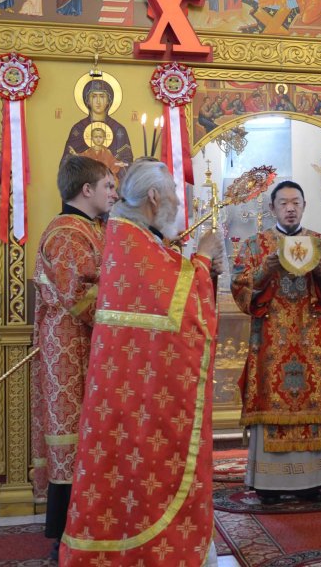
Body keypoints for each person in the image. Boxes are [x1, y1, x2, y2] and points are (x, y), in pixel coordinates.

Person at [59, 159, 225, 566]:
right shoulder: (131, 242)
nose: (177, 201)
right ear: (154, 196)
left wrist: (199, 268)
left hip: (129, 391)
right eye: (173, 192)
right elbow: (183, 314)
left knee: (123, 478)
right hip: (138, 396)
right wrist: (204, 258)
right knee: (135, 477)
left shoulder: (130, 238)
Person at [231, 181, 321, 505]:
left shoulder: (320, 243)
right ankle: (268, 484)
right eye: (283, 203)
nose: (290, 208)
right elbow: (240, 287)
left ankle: (313, 480)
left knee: (313, 404)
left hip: (310, 342)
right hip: (271, 344)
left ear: (304, 206)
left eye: (296, 202)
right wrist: (264, 272)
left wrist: (320, 271)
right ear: (272, 208)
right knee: (270, 403)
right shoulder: (255, 246)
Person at [30, 156, 116, 561]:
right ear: (87, 190)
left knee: (92, 434)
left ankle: (94, 526)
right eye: (108, 186)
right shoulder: (66, 232)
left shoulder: (93, 228)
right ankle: (66, 535)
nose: (114, 194)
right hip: (67, 346)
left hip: (89, 343)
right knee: (70, 435)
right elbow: (79, 294)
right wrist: (128, 309)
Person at [62, 80, 133, 169]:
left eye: (102, 96)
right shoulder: (78, 129)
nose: (98, 101)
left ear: (108, 100)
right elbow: (66, 164)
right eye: (94, 96)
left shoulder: (118, 129)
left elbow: (127, 162)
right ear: (87, 100)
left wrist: (115, 166)